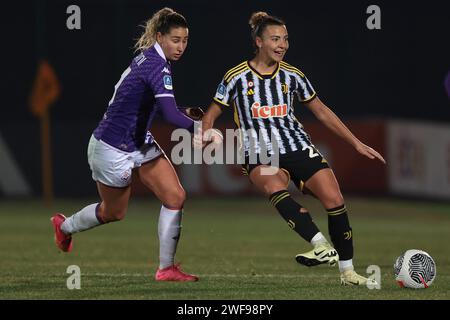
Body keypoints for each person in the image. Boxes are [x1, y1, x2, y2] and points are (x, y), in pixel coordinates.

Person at [199, 11, 386, 286]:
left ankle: (347, 273)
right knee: (274, 187)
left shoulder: (293, 76)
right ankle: (320, 244)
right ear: (259, 41)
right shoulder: (236, 77)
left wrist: (356, 142)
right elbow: (212, 113)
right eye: (275, 38)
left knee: (335, 201)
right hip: (259, 151)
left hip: (297, 146)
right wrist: (206, 132)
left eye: (285, 39)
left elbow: (321, 111)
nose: (282, 44)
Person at [51, 8, 201, 282]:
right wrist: (200, 129)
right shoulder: (156, 65)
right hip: (111, 147)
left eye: (185, 41)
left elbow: (150, 106)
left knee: (175, 197)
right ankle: (65, 225)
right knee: (113, 212)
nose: (181, 47)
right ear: (159, 37)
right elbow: (168, 115)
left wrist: (184, 111)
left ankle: (166, 269)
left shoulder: (153, 60)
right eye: (175, 40)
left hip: (139, 142)